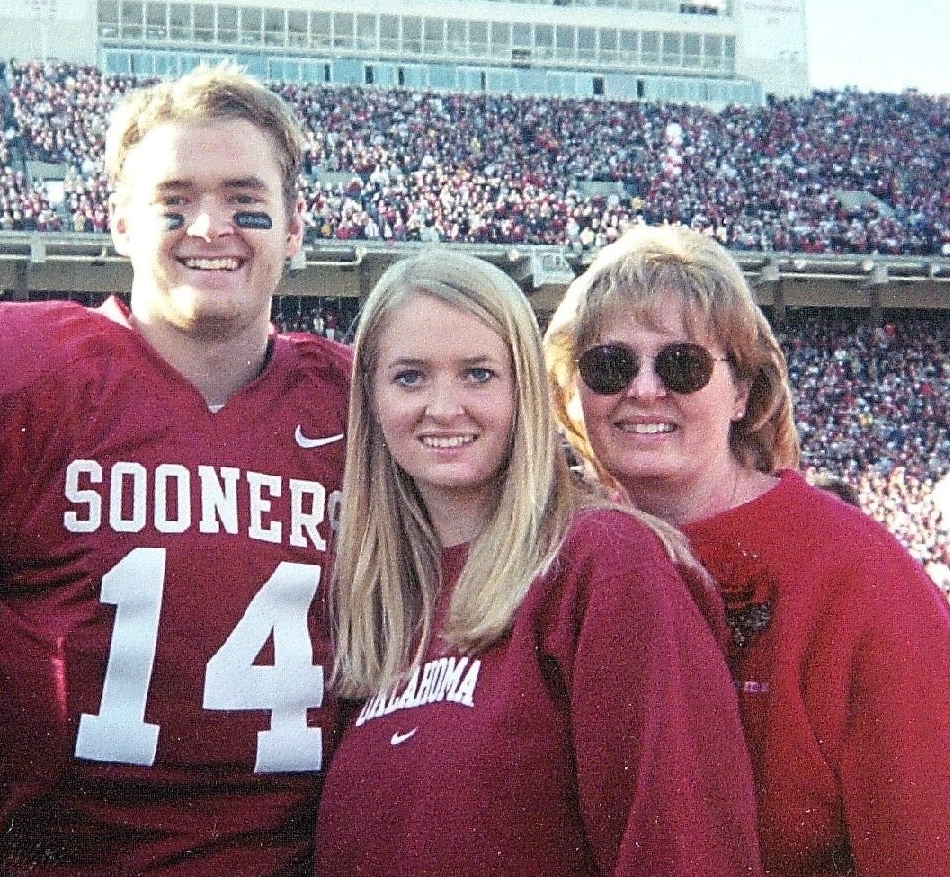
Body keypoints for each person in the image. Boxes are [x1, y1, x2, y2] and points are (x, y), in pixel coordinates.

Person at [0, 64, 350, 875]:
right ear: (121, 223)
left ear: (295, 228)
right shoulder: (5, 383)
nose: (210, 226)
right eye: (174, 201)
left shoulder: (356, 404)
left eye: (245, 200)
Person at [315, 249, 761, 877]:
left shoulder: (604, 564)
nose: (443, 407)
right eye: (410, 376)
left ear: (524, 390)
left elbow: (683, 847)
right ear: (372, 402)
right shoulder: (379, 604)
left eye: (478, 374)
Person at [543, 224, 950, 877]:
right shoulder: (554, 561)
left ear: (740, 391)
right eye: (610, 364)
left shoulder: (854, 571)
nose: (645, 389)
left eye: (683, 364)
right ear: (573, 392)